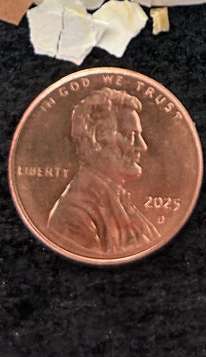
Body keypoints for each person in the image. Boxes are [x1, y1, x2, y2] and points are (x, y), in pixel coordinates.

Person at [47, 88, 161, 255]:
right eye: (131, 135)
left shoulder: (116, 199)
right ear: (99, 136)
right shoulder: (73, 215)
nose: (142, 147)